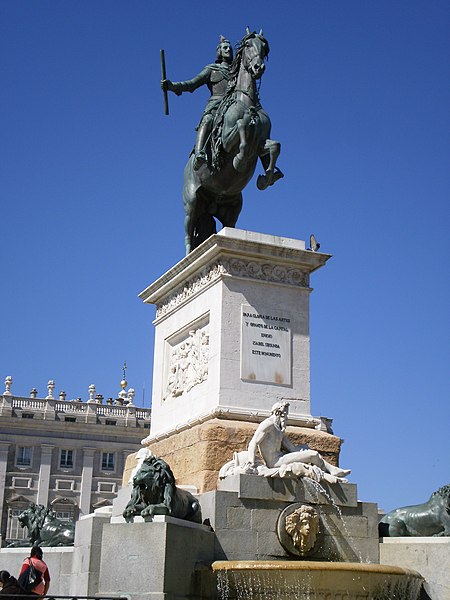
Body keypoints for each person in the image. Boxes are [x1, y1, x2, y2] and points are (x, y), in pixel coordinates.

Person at [161, 36, 233, 170]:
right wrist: (173, 86)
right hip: (216, 105)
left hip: (234, 104)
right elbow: (192, 84)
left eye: (230, 48)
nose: (228, 49)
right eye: (225, 48)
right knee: (207, 119)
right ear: (219, 51)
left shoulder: (237, 71)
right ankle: (200, 152)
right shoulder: (211, 69)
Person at [246, 401, 351, 482]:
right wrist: (251, 462)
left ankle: (329, 471)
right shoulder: (268, 424)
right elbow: (253, 443)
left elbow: (291, 448)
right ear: (277, 413)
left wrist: (303, 450)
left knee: (306, 449)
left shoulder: (279, 429)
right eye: (284, 415)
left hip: (281, 457)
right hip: (275, 462)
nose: (285, 418)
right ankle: (332, 471)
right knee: (313, 455)